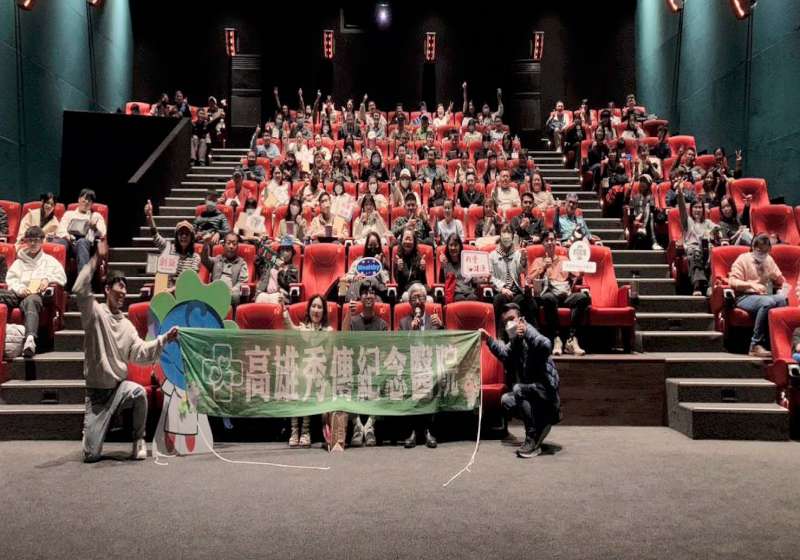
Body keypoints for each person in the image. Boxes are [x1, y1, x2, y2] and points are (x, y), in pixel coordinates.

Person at [77, 245, 179, 462]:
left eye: (125, 287)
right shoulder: (95, 314)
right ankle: (91, 433)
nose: (123, 292)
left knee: (139, 393)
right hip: (97, 396)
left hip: (118, 389)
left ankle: (138, 439)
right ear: (107, 289)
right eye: (119, 286)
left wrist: (164, 339)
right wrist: (95, 258)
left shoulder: (127, 325)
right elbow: (80, 288)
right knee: (91, 455)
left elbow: (141, 353)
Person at [480, 304, 560, 458]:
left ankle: (532, 436)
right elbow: (504, 354)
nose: (509, 324)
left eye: (512, 319)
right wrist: (488, 339)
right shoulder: (516, 340)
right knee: (506, 400)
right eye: (505, 322)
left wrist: (527, 332)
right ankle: (540, 424)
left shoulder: (529, 331)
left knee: (518, 389)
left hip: (547, 393)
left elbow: (546, 345)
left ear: (521, 319)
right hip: (532, 392)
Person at [0, 226, 66, 357]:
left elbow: (62, 278)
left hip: (37, 296)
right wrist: (20, 289)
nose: (33, 243)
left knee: (31, 300)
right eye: (30, 240)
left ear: (42, 241)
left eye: (36, 240)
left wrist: (47, 279)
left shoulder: (50, 261)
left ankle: (30, 340)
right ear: (25, 242)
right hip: (19, 294)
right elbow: (11, 280)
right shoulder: (19, 262)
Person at [283, 294, 333, 447]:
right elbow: (290, 328)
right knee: (296, 376)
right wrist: (285, 313)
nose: (316, 310)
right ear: (309, 309)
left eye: (319, 307)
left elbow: (328, 357)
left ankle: (305, 431)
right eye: (313, 306)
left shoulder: (328, 331)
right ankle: (294, 430)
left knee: (308, 377)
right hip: (302, 371)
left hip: (319, 372)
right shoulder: (302, 328)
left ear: (324, 312)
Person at [528, 230, 588, 356]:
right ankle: (557, 338)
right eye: (547, 240)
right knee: (548, 298)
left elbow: (577, 275)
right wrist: (543, 267)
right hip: (551, 295)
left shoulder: (564, 259)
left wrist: (581, 273)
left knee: (583, 297)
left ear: (556, 242)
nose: (550, 242)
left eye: (552, 240)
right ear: (543, 244)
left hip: (566, 295)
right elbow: (529, 279)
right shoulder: (538, 260)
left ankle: (571, 339)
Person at [728, 234, 788, 358]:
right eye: (760, 251)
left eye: (766, 251)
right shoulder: (743, 259)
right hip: (744, 296)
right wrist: (751, 284)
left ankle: (774, 342)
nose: (763, 254)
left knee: (782, 300)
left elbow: (780, 279)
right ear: (754, 248)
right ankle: (755, 344)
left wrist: (780, 281)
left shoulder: (768, 259)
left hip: (764, 295)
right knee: (767, 303)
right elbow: (733, 282)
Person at [342, 284, 386, 447]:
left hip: (374, 368)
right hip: (355, 367)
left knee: (385, 382)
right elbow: (343, 338)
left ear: (376, 298)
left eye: (372, 293)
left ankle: (370, 427)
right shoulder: (353, 321)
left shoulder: (382, 324)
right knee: (344, 382)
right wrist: (348, 313)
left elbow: (384, 352)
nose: (369, 295)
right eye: (365, 293)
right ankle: (357, 426)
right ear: (360, 297)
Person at [399, 282, 442, 448]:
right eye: (414, 298)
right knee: (411, 381)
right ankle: (413, 431)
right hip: (411, 367)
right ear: (409, 302)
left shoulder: (434, 319)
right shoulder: (404, 323)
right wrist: (411, 332)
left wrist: (441, 327)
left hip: (431, 365)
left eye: (421, 297)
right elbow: (400, 349)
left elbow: (445, 344)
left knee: (433, 379)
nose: (418, 301)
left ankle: (429, 430)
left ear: (426, 300)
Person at [144, 200, 201, 288]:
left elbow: (190, 280)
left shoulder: (195, 257)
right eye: (181, 233)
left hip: (185, 292)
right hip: (167, 291)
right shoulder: (169, 249)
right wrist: (150, 217)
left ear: (192, 237)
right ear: (177, 236)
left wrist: (174, 289)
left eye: (187, 234)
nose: (184, 236)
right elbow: (156, 236)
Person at [489, 225, 536, 330]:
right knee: (499, 299)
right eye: (504, 232)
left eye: (509, 232)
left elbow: (522, 271)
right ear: (500, 235)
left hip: (516, 291)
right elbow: (490, 277)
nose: (506, 235)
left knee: (528, 301)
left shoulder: (517, 253)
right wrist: (502, 289)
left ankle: (533, 332)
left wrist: (523, 259)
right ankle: (498, 333)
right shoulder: (492, 255)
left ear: (513, 236)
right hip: (501, 291)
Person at [676, 186, 718, 296]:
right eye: (695, 207)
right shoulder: (688, 221)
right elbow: (682, 209)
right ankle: (697, 286)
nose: (698, 210)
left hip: (706, 250)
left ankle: (711, 286)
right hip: (693, 249)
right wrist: (680, 194)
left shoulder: (707, 222)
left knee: (714, 254)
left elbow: (717, 228)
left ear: (703, 210)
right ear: (691, 209)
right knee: (695, 253)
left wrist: (712, 232)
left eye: (700, 207)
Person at [55, 188, 107, 272]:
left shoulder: (95, 215)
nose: (86, 202)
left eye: (89, 200)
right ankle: (55, 274)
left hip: (86, 245)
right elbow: (61, 229)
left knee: (82, 242)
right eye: (85, 199)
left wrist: (94, 228)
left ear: (92, 203)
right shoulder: (69, 214)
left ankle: (83, 278)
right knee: (61, 242)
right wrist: (68, 237)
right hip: (70, 243)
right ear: (79, 199)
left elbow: (103, 233)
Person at [200, 232, 249, 305]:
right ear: (223, 245)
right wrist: (206, 244)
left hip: (231, 294)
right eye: (228, 243)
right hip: (215, 290)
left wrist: (231, 290)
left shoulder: (242, 263)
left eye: (234, 244)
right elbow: (204, 259)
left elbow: (242, 282)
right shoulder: (217, 259)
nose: (231, 246)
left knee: (235, 295)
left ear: (237, 247)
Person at [438, 234, 480, 301]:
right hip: (454, 293)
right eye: (451, 245)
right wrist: (442, 267)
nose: (453, 248)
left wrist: (483, 279)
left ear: (460, 247)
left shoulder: (467, 260)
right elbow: (441, 282)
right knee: (460, 298)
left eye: (455, 245)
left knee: (473, 298)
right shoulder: (445, 261)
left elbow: (474, 281)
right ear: (447, 247)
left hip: (469, 291)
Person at [628, 175, 662, 250]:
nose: (642, 183)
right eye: (641, 181)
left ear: (649, 185)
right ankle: (654, 242)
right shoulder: (634, 197)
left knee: (651, 214)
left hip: (648, 221)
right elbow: (630, 212)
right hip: (636, 219)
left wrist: (642, 215)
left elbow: (652, 210)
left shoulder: (651, 197)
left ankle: (651, 238)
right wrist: (634, 218)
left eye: (645, 182)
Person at [394, 228, 429, 302]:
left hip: (419, 289)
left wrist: (422, 270)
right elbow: (398, 284)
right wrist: (399, 270)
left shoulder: (419, 258)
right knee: (408, 297)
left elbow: (424, 282)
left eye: (410, 239)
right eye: (406, 239)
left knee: (430, 299)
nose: (408, 242)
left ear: (414, 242)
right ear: (401, 241)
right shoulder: (398, 258)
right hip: (405, 292)